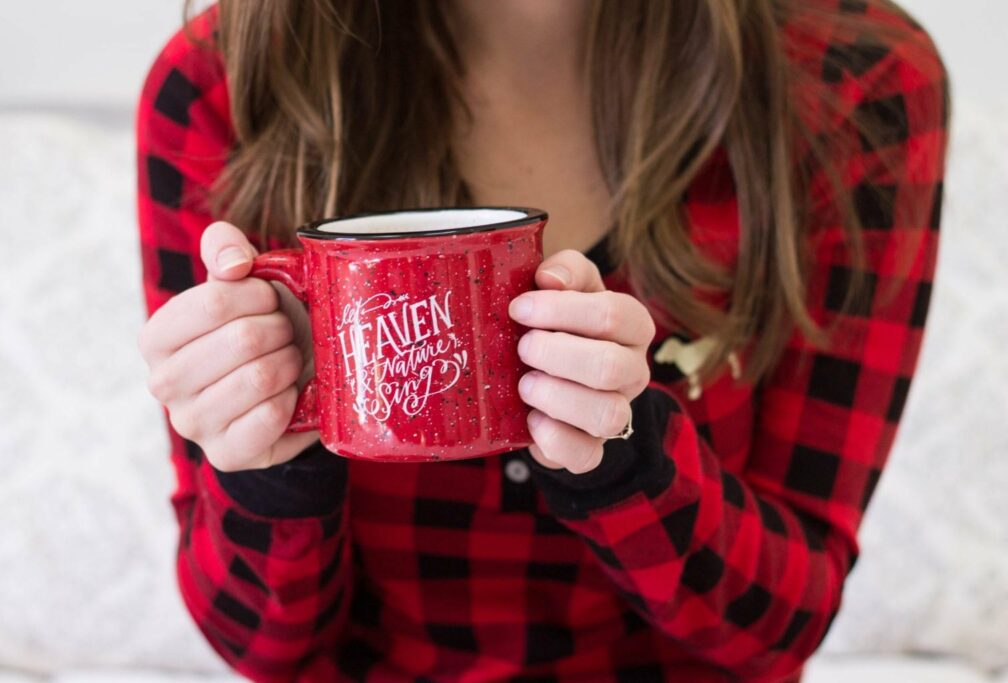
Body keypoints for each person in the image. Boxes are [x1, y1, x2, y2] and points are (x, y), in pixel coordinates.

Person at [135, 1, 948, 681]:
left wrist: (628, 463)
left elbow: (783, 622)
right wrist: (269, 466)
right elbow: (257, 643)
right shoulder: (228, 83)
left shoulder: (856, 82)